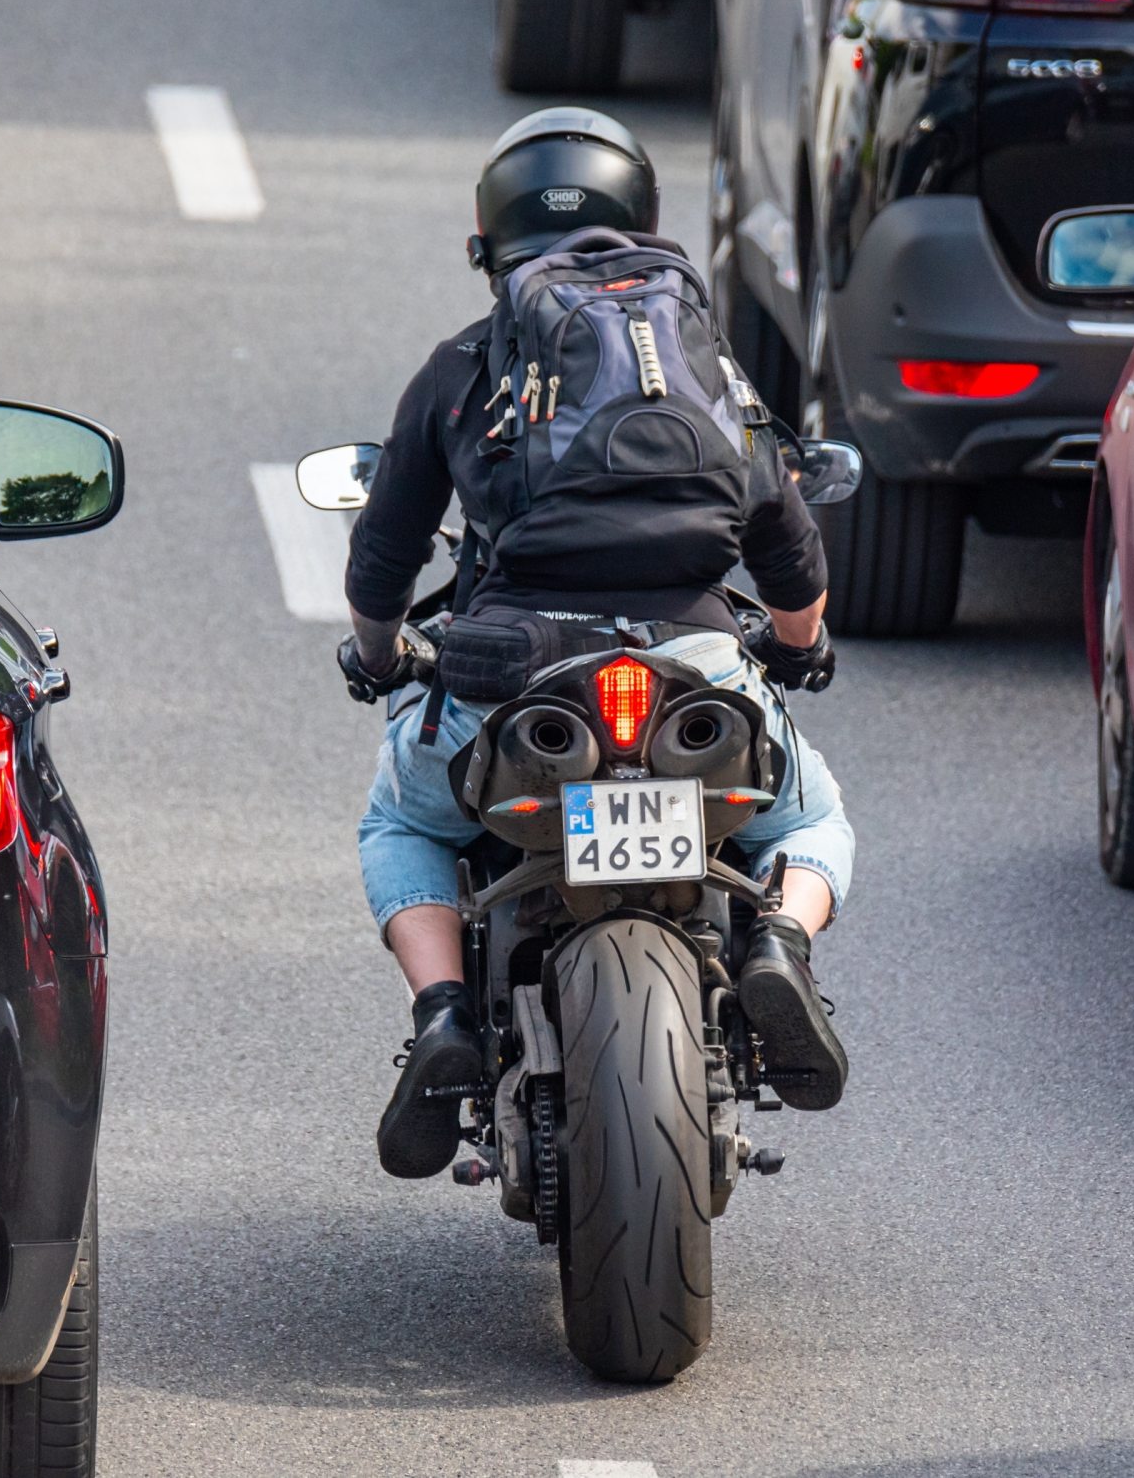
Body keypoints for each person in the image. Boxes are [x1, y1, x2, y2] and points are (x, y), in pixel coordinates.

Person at [339, 107, 858, 1180]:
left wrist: (380, 655)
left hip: (509, 682)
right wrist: (799, 648)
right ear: (642, 222)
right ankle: (777, 944)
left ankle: (441, 1012)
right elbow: (786, 546)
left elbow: (384, 552)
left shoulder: (462, 369)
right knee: (809, 815)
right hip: (697, 672)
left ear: (489, 246)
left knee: (403, 819)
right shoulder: (701, 360)